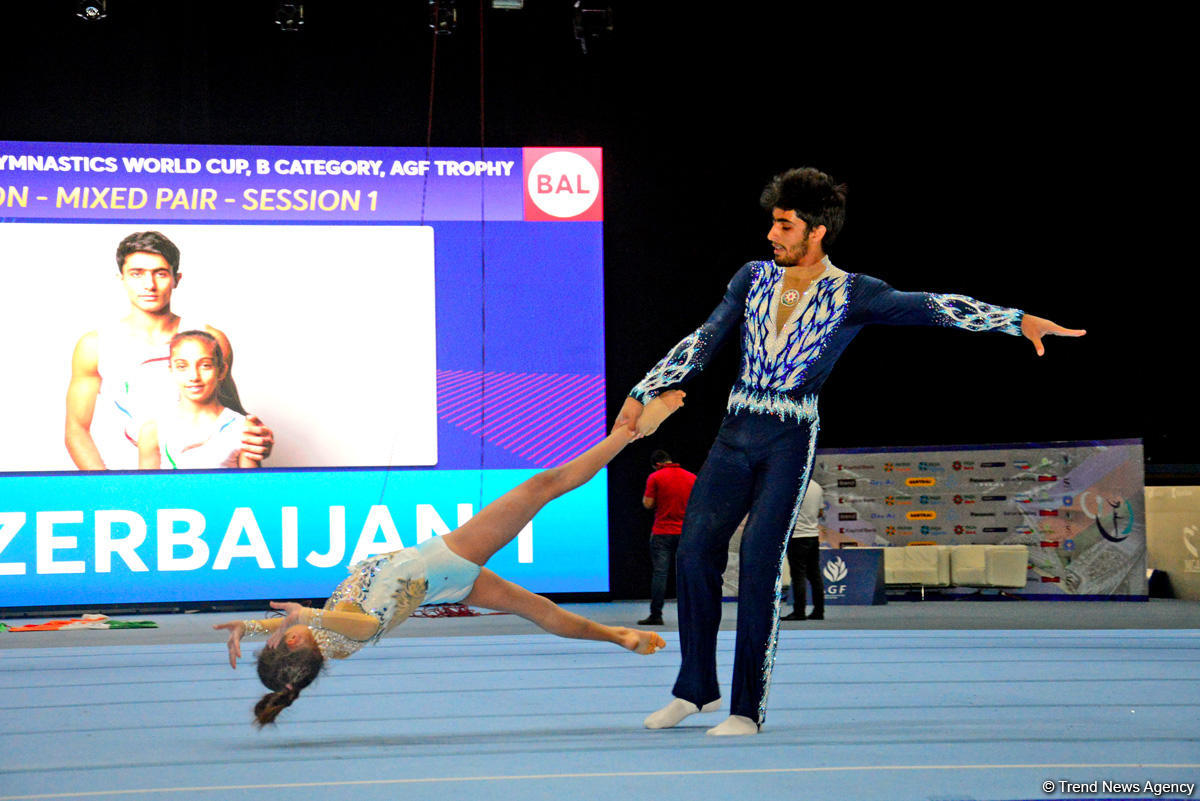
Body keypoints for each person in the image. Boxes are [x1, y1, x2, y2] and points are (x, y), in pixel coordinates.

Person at [614, 167, 1086, 736]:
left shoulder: (855, 294)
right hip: (734, 431)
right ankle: (695, 690)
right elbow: (704, 338)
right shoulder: (751, 277)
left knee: (761, 565)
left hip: (790, 439)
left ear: (815, 232)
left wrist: (1014, 321)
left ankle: (746, 708)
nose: (771, 234)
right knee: (693, 556)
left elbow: (933, 306)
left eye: (784, 225)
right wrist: (644, 390)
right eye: (772, 222)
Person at [213, 391, 686, 727]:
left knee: (539, 609)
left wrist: (247, 626)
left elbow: (310, 627)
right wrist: (308, 612)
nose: (273, 635)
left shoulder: (319, 638)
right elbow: (361, 626)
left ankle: (618, 636)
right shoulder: (337, 629)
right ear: (294, 645)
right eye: (275, 642)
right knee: (544, 486)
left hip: (447, 582)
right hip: (447, 558)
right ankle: (631, 432)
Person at [65, 231, 273, 470]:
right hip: (127, 483)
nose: (149, 285)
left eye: (160, 274)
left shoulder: (210, 340)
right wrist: (110, 489)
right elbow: (76, 429)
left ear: (177, 279)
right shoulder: (96, 345)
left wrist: (258, 440)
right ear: (121, 278)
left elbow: (231, 413)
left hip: (202, 481)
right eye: (136, 274)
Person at [137, 331, 259, 469]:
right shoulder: (153, 430)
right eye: (182, 366)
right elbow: (147, 488)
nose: (194, 376)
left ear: (221, 370)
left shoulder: (244, 428)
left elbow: (253, 488)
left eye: (205, 365)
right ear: (171, 371)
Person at [639, 449, 697, 626]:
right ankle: (693, 614)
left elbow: (647, 503)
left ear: (657, 465)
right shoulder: (691, 477)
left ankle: (656, 615)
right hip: (686, 533)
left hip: (662, 532)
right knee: (687, 574)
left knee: (660, 574)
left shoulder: (656, 477)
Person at [780, 480, 824, 621]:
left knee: (798, 575)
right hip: (812, 535)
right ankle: (819, 611)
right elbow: (820, 512)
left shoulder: (792, 484)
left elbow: (783, 511)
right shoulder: (817, 486)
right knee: (815, 575)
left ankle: (799, 612)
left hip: (797, 536)